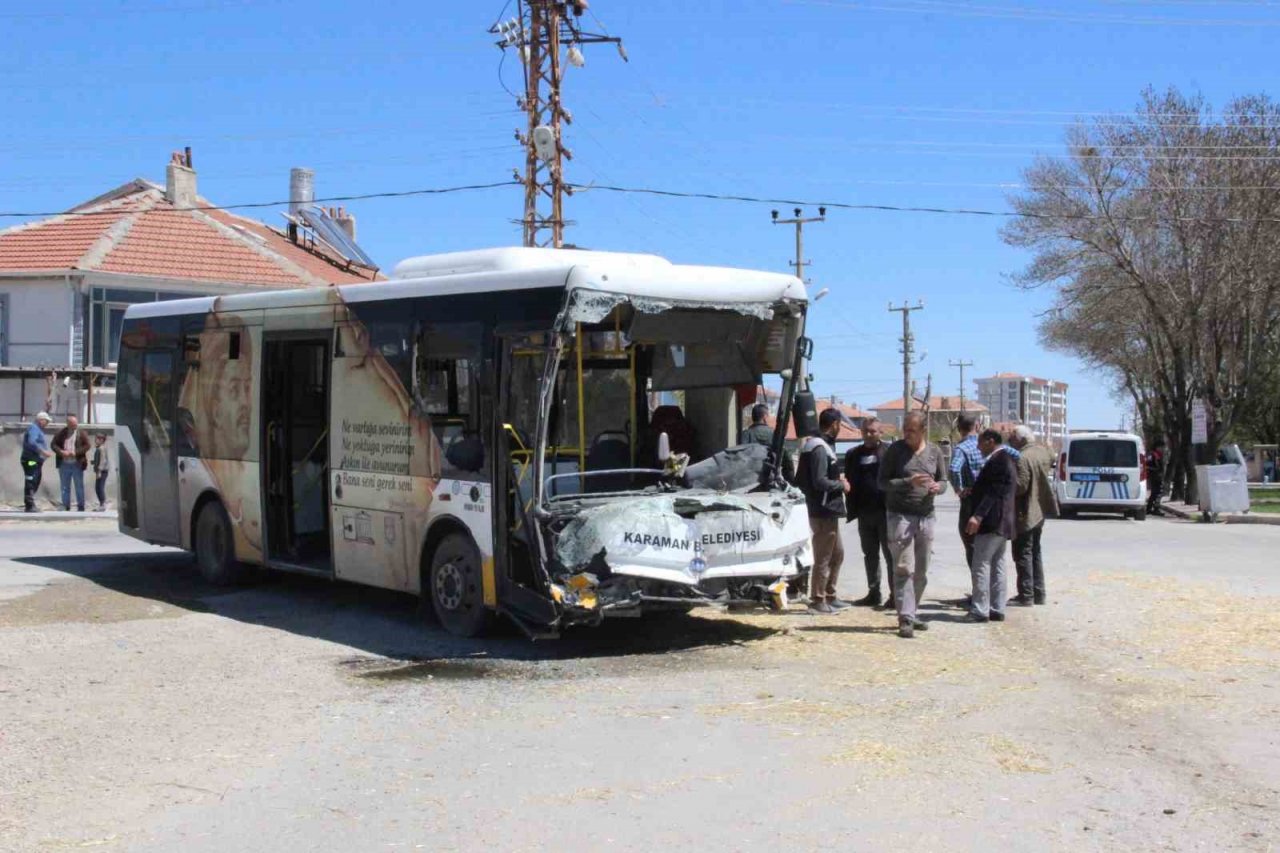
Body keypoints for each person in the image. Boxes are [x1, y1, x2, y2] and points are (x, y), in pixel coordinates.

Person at [879, 411, 949, 638]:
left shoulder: (935, 452)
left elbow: (944, 480)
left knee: (921, 570)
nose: (907, 434)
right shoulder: (895, 451)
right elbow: (882, 482)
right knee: (903, 568)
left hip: (926, 516)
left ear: (923, 431)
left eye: (912, 430)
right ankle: (905, 618)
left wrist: (939, 487)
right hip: (900, 516)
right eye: (905, 429)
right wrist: (909, 481)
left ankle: (912, 610)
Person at [796, 408, 851, 614]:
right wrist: (841, 485)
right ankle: (817, 600)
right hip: (822, 510)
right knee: (824, 556)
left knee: (838, 554)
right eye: (839, 425)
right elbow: (819, 481)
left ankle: (830, 595)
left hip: (828, 509)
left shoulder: (822, 445)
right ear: (835, 424)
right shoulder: (818, 447)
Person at [964, 429, 1017, 623]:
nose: (978, 447)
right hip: (1003, 522)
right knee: (998, 564)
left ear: (990, 441)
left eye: (980, 442)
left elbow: (993, 492)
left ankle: (980, 610)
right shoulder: (1005, 459)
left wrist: (977, 516)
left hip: (992, 521)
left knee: (981, 564)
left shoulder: (999, 460)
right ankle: (997, 608)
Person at [845, 417, 893, 608]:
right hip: (864, 513)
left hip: (886, 512)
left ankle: (896, 596)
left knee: (891, 556)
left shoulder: (890, 452)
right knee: (870, 555)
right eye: (866, 430)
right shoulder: (853, 454)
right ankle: (873, 593)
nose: (869, 434)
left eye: (873, 431)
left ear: (881, 432)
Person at [1009, 425, 1057, 606]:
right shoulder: (1043, 452)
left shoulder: (1022, 457)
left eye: (1012, 438)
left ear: (1020, 439)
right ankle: (1039, 593)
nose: (1011, 441)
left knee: (1023, 553)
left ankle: (1026, 595)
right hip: (1040, 511)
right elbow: (1052, 456)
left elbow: (1021, 486)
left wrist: (1007, 483)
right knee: (1035, 552)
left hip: (1025, 511)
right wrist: (1050, 445)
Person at [949, 414, 984, 569]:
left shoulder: (961, 449)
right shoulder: (989, 446)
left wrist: (959, 489)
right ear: (977, 426)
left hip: (970, 503)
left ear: (959, 429)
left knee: (972, 546)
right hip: (989, 501)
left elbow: (954, 468)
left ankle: (978, 588)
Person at [53, 415, 90, 512]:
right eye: (73, 424)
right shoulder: (61, 433)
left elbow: (87, 446)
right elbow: (53, 445)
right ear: (68, 424)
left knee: (79, 486)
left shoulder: (81, 433)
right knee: (64, 486)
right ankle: (66, 505)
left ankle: (81, 506)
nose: (75, 426)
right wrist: (61, 452)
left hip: (77, 463)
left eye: (76, 424)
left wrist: (76, 452)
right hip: (64, 463)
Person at [20, 412, 54, 513]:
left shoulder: (38, 429)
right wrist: (42, 451)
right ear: (41, 420)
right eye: (46, 421)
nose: (47, 423)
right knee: (31, 479)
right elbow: (32, 442)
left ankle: (30, 502)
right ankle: (30, 505)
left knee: (36, 479)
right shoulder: (34, 428)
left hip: (35, 460)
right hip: (30, 461)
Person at [1146, 438, 1166, 516]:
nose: (1163, 449)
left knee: (1155, 493)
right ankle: (1155, 509)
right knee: (1158, 493)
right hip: (1155, 476)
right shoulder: (1153, 454)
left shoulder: (1158, 454)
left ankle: (1150, 508)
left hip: (1157, 476)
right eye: (1162, 447)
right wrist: (1156, 470)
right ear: (1157, 447)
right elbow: (1147, 465)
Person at [91, 433, 111, 512]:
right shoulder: (100, 448)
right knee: (98, 487)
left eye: (98, 439)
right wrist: (94, 462)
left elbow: (103, 461)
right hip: (102, 470)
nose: (96, 440)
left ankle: (103, 504)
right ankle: (101, 504)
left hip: (102, 471)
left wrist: (99, 471)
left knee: (99, 487)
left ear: (102, 440)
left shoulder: (101, 448)